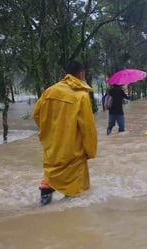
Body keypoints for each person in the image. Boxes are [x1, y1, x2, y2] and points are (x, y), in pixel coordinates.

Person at [33, 61, 98, 206]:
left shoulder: (50, 91)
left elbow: (37, 114)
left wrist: (48, 131)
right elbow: (87, 127)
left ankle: (46, 192)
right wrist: (90, 150)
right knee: (74, 190)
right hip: (72, 147)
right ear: (81, 74)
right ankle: (70, 221)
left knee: (51, 170)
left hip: (52, 144)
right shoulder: (81, 96)